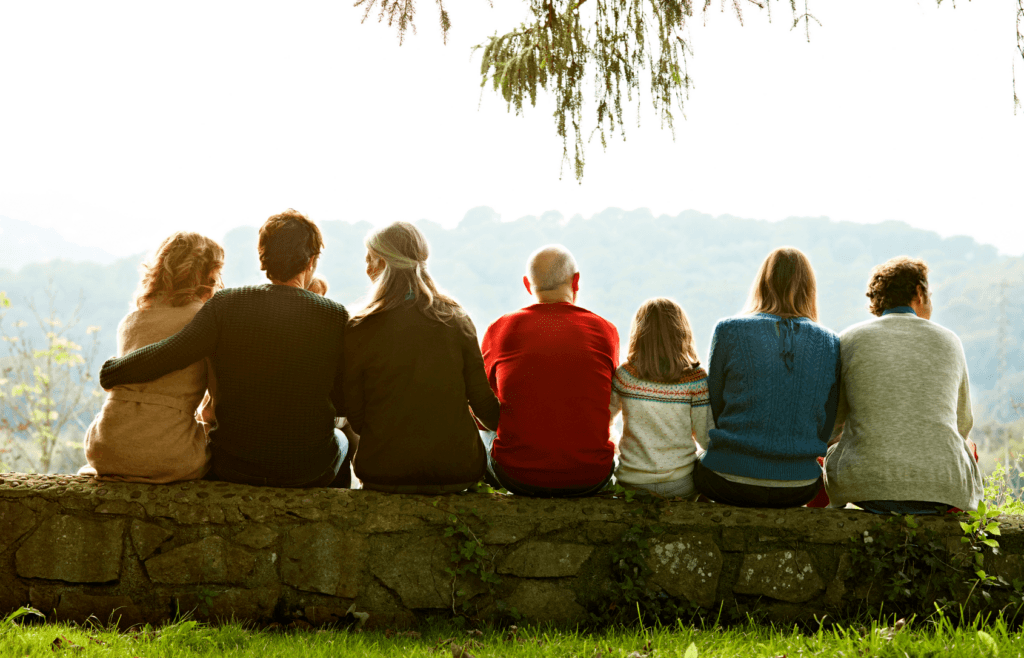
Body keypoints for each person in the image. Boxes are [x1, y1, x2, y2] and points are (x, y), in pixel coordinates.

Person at [99, 209, 351, 488]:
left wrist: (113, 371)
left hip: (233, 465)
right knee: (341, 439)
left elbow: (171, 353)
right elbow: (343, 398)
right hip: (306, 469)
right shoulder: (335, 315)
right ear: (312, 260)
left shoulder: (226, 304)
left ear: (262, 258)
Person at [343, 222, 499, 493]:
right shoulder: (456, 318)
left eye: (369, 260)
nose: (366, 269)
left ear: (383, 263)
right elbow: (483, 405)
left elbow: (356, 415)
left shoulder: (360, 326)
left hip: (382, 471)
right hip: (457, 471)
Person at [823, 257, 982, 514]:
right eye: (929, 293)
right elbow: (962, 424)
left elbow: (833, 426)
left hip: (866, 489)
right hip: (942, 491)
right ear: (919, 292)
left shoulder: (849, 339)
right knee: (967, 446)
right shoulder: (950, 341)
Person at [694, 246, 841, 508]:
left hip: (727, 480)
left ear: (762, 282)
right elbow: (826, 423)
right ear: (810, 288)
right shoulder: (830, 342)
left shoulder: (728, 330)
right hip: (800, 486)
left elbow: (715, 406)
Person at [80, 232, 224, 483]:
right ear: (208, 273)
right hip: (168, 454)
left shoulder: (130, 321)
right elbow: (215, 404)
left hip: (104, 448)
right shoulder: (205, 320)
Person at [480, 244, 619, 497]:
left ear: (527, 284)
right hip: (590, 476)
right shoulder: (604, 331)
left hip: (516, 476)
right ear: (576, 281)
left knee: (485, 428)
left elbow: (482, 410)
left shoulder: (500, 329)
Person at [610, 298, 710, 500]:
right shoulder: (696, 380)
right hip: (680, 483)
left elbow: (604, 419)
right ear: (682, 333)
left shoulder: (625, 376)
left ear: (639, 334)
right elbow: (706, 438)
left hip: (631, 482)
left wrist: (618, 449)